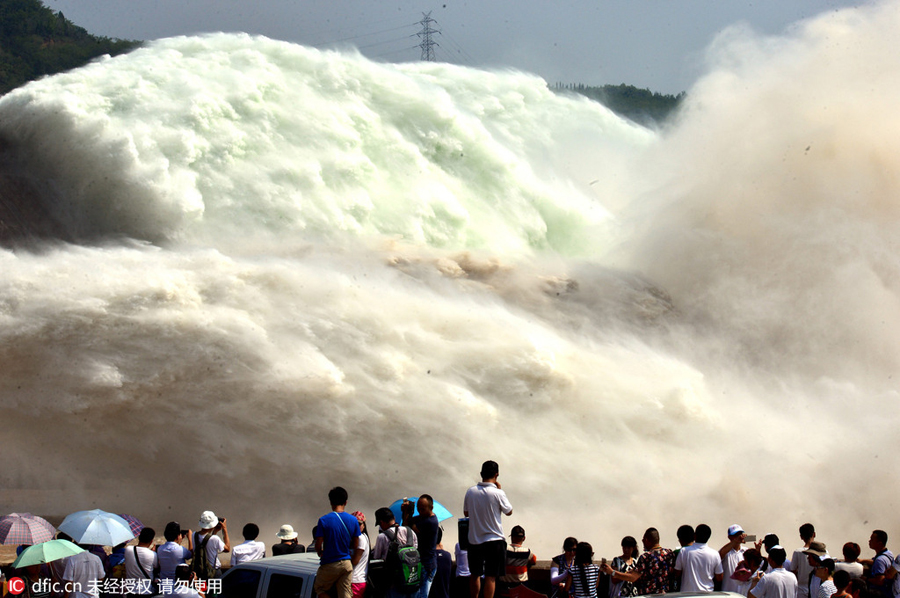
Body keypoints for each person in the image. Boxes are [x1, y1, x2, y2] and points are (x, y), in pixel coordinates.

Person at [463, 460, 513, 598]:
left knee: (475, 574)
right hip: (495, 539)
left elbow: (466, 513)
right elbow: (509, 511)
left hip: (475, 539)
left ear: (481, 474)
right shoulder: (498, 493)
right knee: (491, 576)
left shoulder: (470, 492)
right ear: (497, 475)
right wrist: (499, 490)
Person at [315, 487, 363, 598]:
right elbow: (356, 544)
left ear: (330, 502)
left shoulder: (323, 520)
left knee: (319, 588)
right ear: (346, 502)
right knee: (345, 593)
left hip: (330, 563)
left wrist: (320, 551)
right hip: (346, 563)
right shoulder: (353, 520)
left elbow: (318, 544)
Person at [601, 528, 674, 596]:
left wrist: (612, 572)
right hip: (665, 595)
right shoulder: (669, 554)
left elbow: (633, 577)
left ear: (646, 540)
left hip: (648, 595)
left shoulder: (645, 557)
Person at [372, 506, 418, 598]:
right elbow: (415, 549)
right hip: (412, 579)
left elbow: (377, 558)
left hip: (394, 582)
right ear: (394, 518)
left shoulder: (382, 536)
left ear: (381, 522)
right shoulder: (410, 531)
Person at [674, 524, 722, 592]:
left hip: (687, 594)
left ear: (695, 536)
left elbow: (677, 573)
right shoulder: (715, 554)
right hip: (707, 594)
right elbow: (719, 577)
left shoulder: (684, 551)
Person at [409, 496, 441, 598]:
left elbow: (409, 526)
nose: (419, 511)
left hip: (427, 565)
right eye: (418, 508)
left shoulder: (430, 522)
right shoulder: (423, 517)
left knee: (422, 595)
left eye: (422, 509)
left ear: (431, 507)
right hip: (423, 563)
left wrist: (408, 513)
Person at [499, 525, 537, 594]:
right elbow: (533, 561)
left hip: (504, 585)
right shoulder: (527, 552)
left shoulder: (504, 549)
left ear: (512, 537)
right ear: (524, 538)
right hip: (521, 586)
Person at [194, 511, 230, 579]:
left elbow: (207, 540)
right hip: (214, 572)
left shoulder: (194, 535)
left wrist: (215, 531)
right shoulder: (215, 538)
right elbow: (227, 548)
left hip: (199, 571)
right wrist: (225, 529)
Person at [124, 527, 159, 595]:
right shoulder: (153, 555)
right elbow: (156, 566)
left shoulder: (128, 550)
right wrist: (152, 552)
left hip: (130, 590)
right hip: (146, 591)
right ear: (151, 541)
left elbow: (137, 549)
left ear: (139, 538)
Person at [864, 530, 894, 598]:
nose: (869, 541)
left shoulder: (879, 560)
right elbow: (878, 562)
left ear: (879, 543)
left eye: (872, 539)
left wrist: (866, 579)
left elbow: (880, 580)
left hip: (879, 594)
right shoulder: (888, 553)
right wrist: (863, 560)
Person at [721, 525, 749, 594]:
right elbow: (721, 554)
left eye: (740, 534)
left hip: (742, 593)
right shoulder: (726, 551)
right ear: (729, 537)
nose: (739, 537)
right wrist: (735, 541)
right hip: (728, 593)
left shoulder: (746, 551)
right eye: (736, 535)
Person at [792, 524, 818, 598]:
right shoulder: (822, 551)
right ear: (814, 534)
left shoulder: (797, 552)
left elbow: (793, 571)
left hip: (801, 589)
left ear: (801, 537)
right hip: (817, 588)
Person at [351, 512, 371, 598]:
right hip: (359, 580)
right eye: (355, 524)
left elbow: (355, 561)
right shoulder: (364, 536)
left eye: (359, 524)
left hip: (355, 580)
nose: (358, 526)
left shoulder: (360, 538)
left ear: (364, 525)